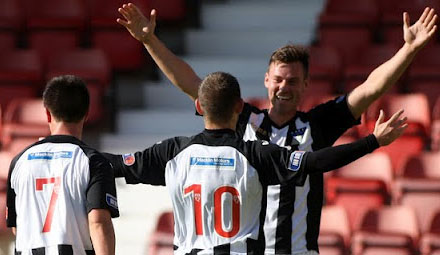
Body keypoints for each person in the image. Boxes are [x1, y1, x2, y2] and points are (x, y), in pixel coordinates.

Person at [117, 4, 437, 254]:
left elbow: (369, 90)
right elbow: (193, 85)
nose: (284, 87)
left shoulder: (317, 125)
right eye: (279, 79)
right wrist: (150, 41)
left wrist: (408, 50)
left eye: (293, 81)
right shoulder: (245, 120)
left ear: (307, 85)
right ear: (267, 81)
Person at [105, 71, 406, 255]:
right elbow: (316, 162)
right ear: (239, 107)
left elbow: (114, 165)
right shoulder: (256, 154)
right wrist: (372, 142)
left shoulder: (172, 152)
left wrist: (64, 148)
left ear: (198, 106)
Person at [6, 75, 119, 255]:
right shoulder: (93, 161)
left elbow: (17, 227)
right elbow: (98, 222)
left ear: (48, 114)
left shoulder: (19, 161)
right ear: (86, 114)